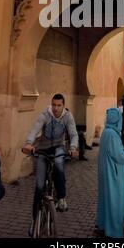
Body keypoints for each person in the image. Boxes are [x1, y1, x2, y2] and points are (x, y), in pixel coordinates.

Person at [23, 93, 78, 227]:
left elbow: (73, 134)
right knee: (39, 186)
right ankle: (35, 219)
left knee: (59, 165)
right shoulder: (45, 115)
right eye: (54, 105)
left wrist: (73, 148)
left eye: (59, 105)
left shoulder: (67, 116)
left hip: (59, 147)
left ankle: (61, 198)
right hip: (43, 149)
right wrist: (28, 143)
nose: (56, 108)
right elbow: (34, 129)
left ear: (63, 106)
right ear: (51, 104)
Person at [96, 108, 124, 238]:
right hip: (114, 175)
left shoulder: (106, 132)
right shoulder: (112, 134)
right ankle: (114, 230)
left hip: (107, 173)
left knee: (107, 200)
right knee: (116, 201)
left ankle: (104, 226)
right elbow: (119, 156)